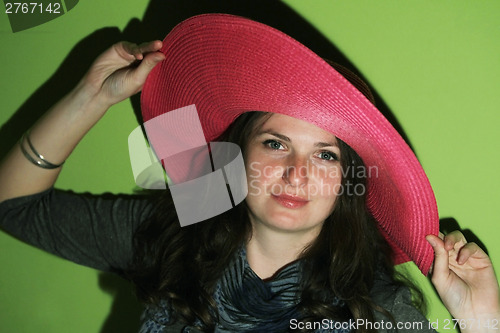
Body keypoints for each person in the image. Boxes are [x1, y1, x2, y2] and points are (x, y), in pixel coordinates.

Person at [0, 14, 498, 333]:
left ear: (348, 184)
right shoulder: (172, 235)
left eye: (325, 155)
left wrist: (481, 324)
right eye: (276, 143)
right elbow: (14, 207)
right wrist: (92, 96)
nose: (296, 173)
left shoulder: (378, 311)